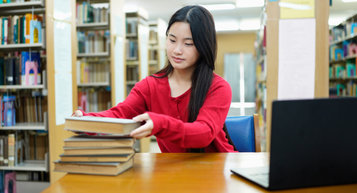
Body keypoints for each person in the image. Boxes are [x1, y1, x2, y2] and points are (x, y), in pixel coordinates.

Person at [73, 5, 236, 153]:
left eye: (188, 43)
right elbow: (120, 114)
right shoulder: (150, 86)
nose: (177, 50)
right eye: (172, 40)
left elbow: (204, 133)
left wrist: (161, 124)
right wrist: (86, 120)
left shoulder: (218, 87)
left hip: (217, 168)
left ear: (204, 46)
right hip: (176, 171)